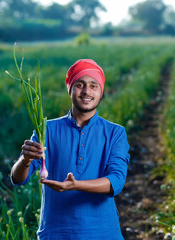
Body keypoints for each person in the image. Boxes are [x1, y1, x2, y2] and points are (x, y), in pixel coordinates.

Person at [10, 59, 130, 239]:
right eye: (79, 85)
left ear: (101, 91)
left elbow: (116, 182)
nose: (86, 91)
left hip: (104, 232)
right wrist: (25, 160)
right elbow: (18, 179)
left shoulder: (115, 133)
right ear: (70, 89)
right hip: (55, 233)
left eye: (93, 85)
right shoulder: (46, 129)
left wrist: (75, 186)